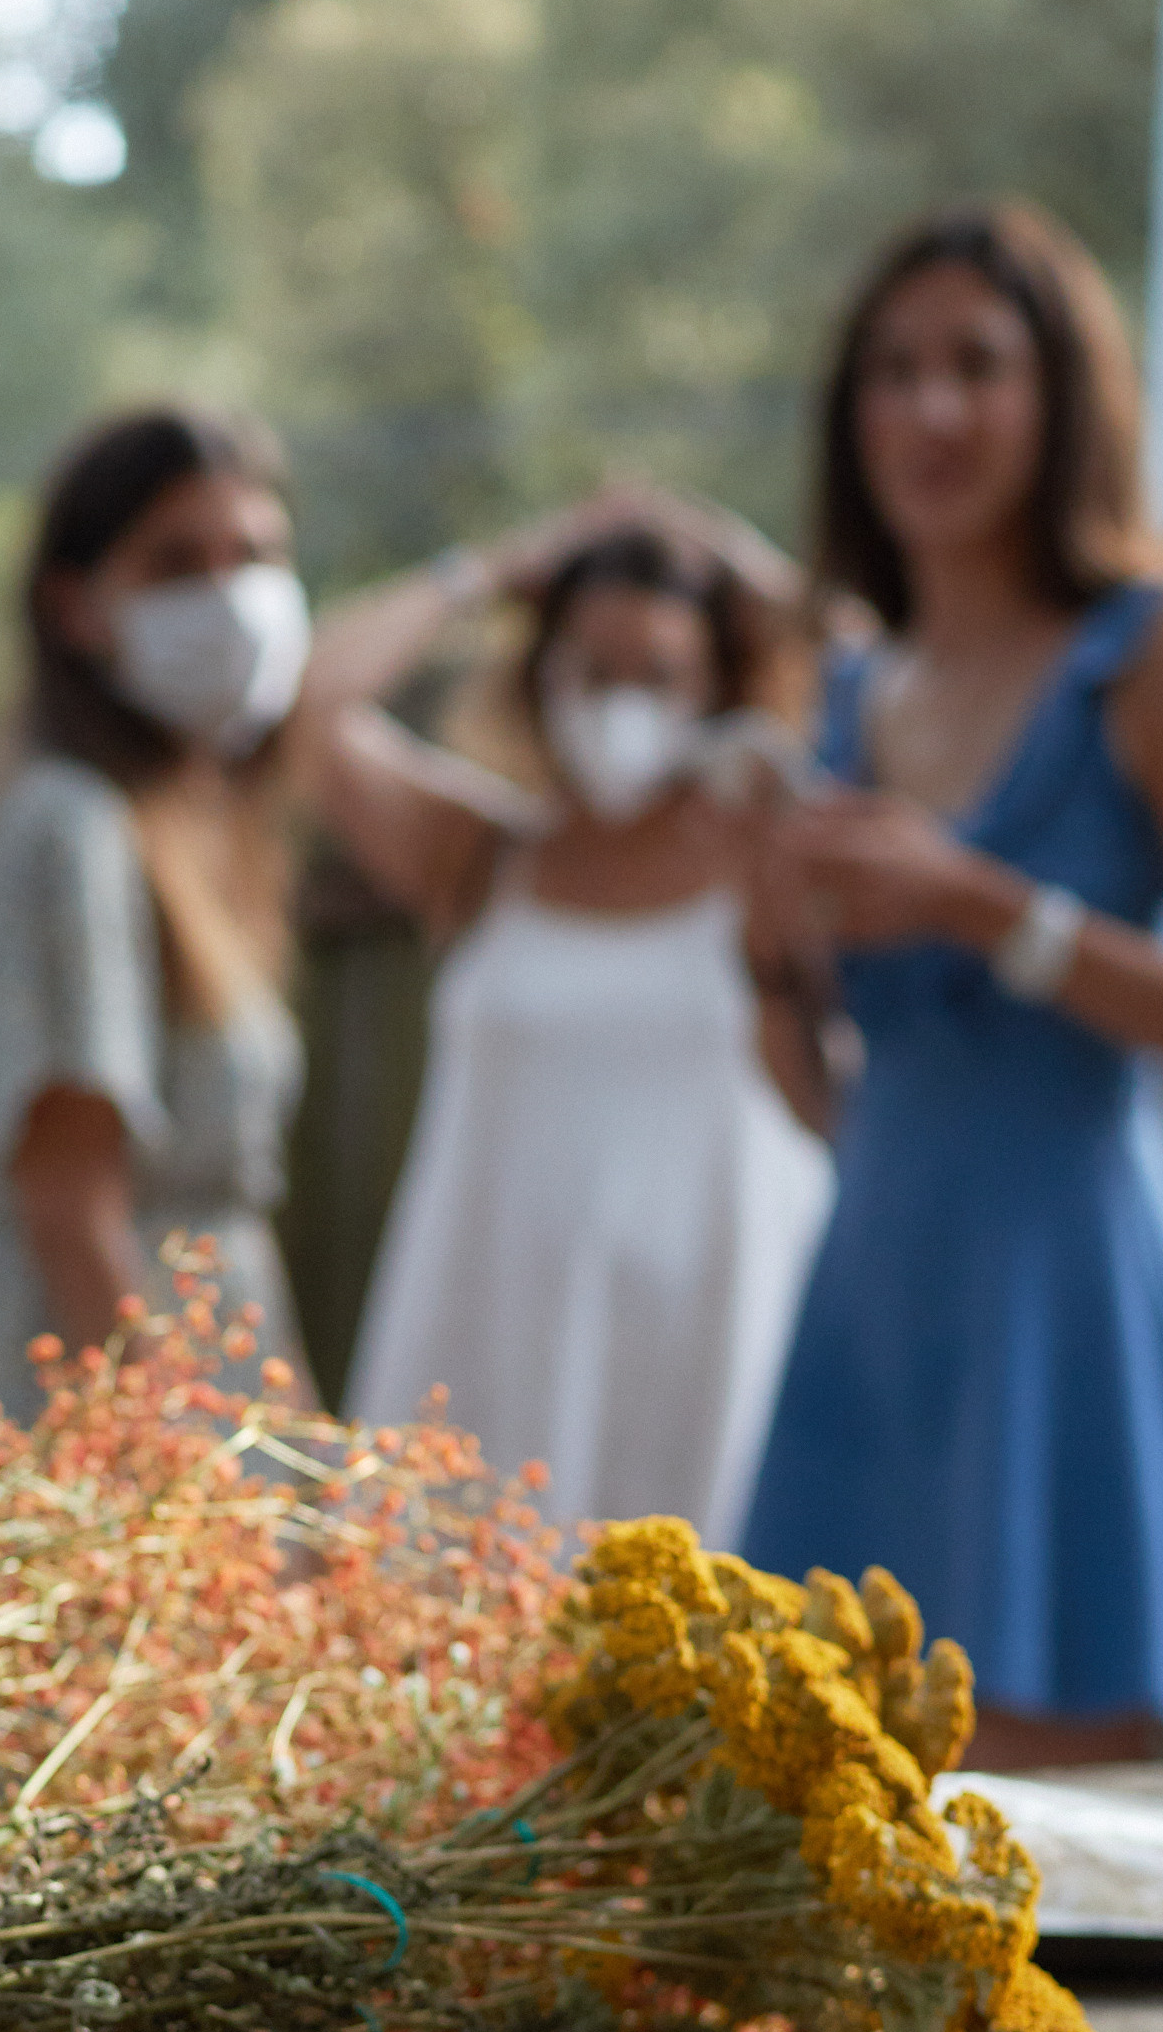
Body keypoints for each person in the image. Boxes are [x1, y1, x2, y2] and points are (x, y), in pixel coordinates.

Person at [740, 199, 1163, 1766]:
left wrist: (989, 907)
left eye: (979, 365)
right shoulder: (851, 690)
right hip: (870, 1306)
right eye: (896, 370)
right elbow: (828, 1105)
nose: (934, 409)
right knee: (828, 1865)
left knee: (1068, 1899)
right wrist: (770, 956)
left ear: (1063, 397)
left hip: (1069, 1316)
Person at [306, 508, 835, 1547]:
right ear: (539, 678)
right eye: (590, 670)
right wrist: (492, 563)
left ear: (721, 684)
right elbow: (313, 702)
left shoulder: (783, 859)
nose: (620, 703)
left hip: (707, 1347)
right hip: (490, 1340)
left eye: (658, 674)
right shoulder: (480, 857)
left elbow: (889, 670)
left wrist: (742, 567)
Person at [0, 407, 311, 1417]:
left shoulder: (184, 829)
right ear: (74, 606)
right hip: (93, 1424)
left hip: (189, 1401)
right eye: (178, 564)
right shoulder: (70, 827)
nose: (231, 598)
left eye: (256, 554)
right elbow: (71, 1212)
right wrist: (184, 1507)